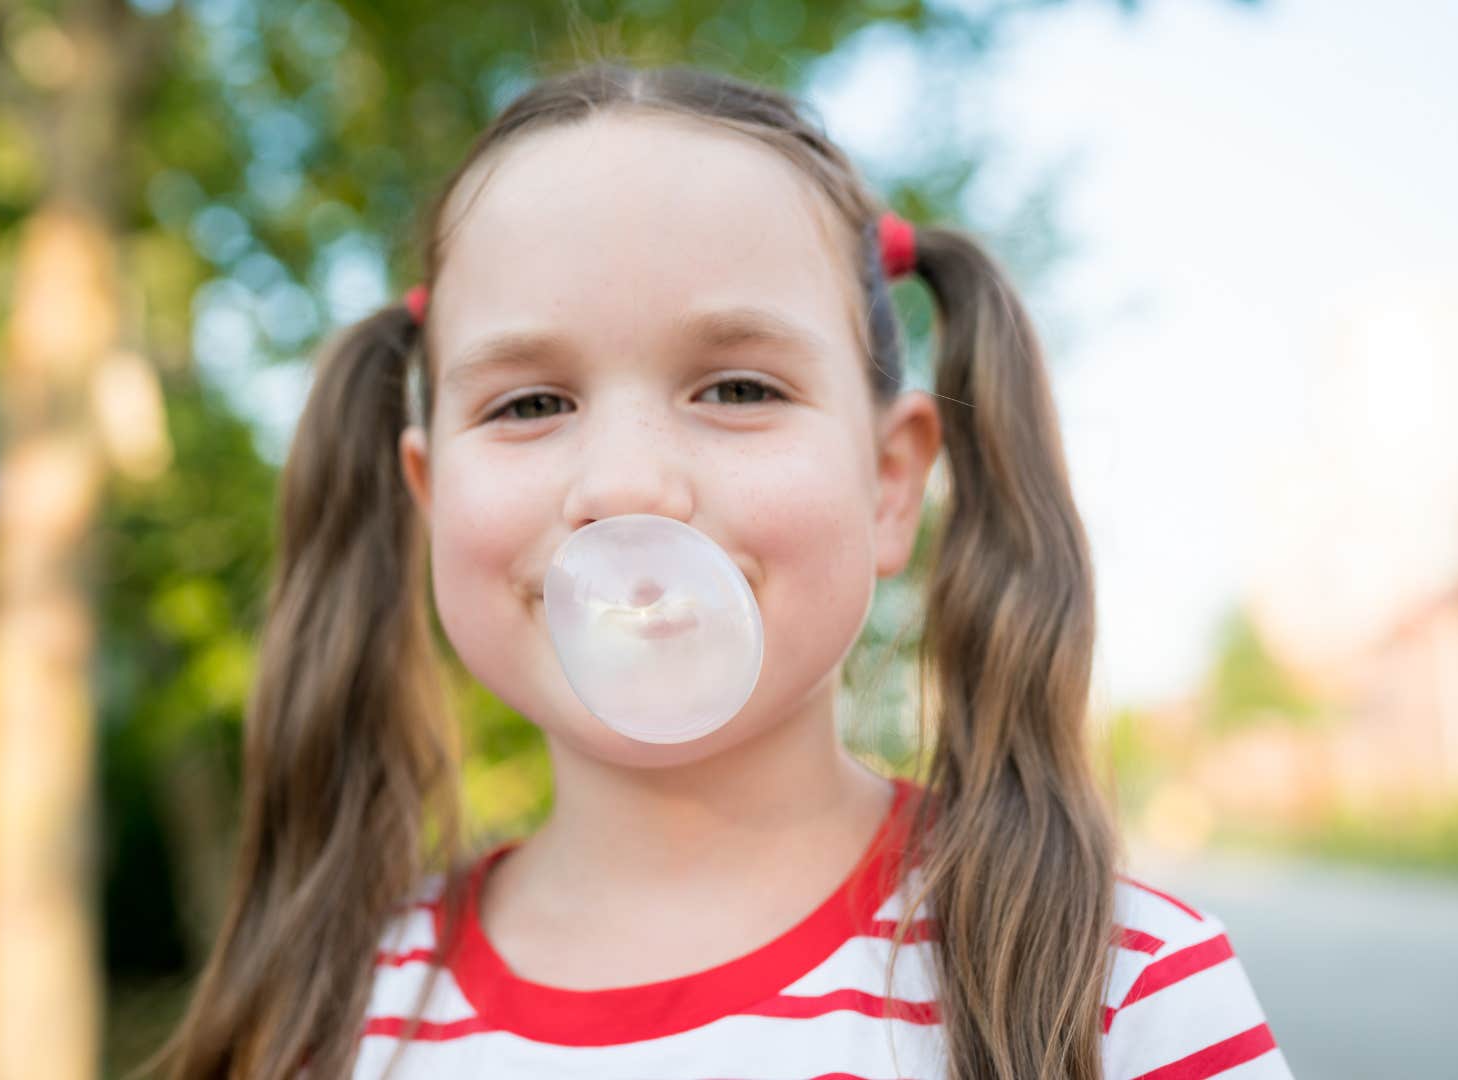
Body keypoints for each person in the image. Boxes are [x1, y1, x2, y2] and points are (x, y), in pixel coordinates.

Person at [150, 62, 1293, 1080]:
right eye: (531, 403)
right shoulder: (330, 1021)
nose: (630, 484)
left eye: (739, 389)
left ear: (890, 483)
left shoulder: (1118, 997)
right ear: (431, 494)